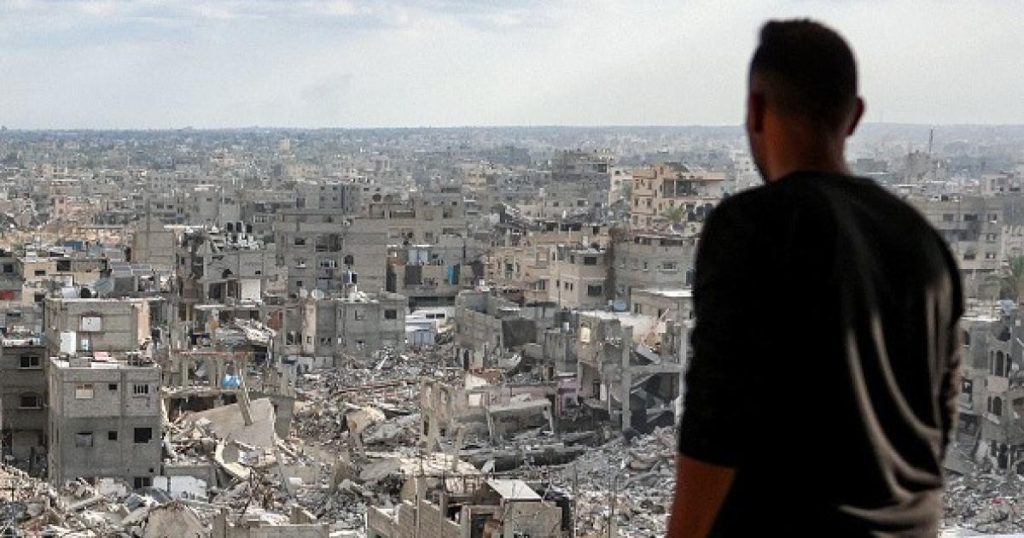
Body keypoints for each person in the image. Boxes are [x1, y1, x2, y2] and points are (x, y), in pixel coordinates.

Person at [667, 19, 963, 537]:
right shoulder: (925, 245)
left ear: (754, 109)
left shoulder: (755, 226)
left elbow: (717, 421)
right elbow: (938, 425)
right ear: (855, 116)